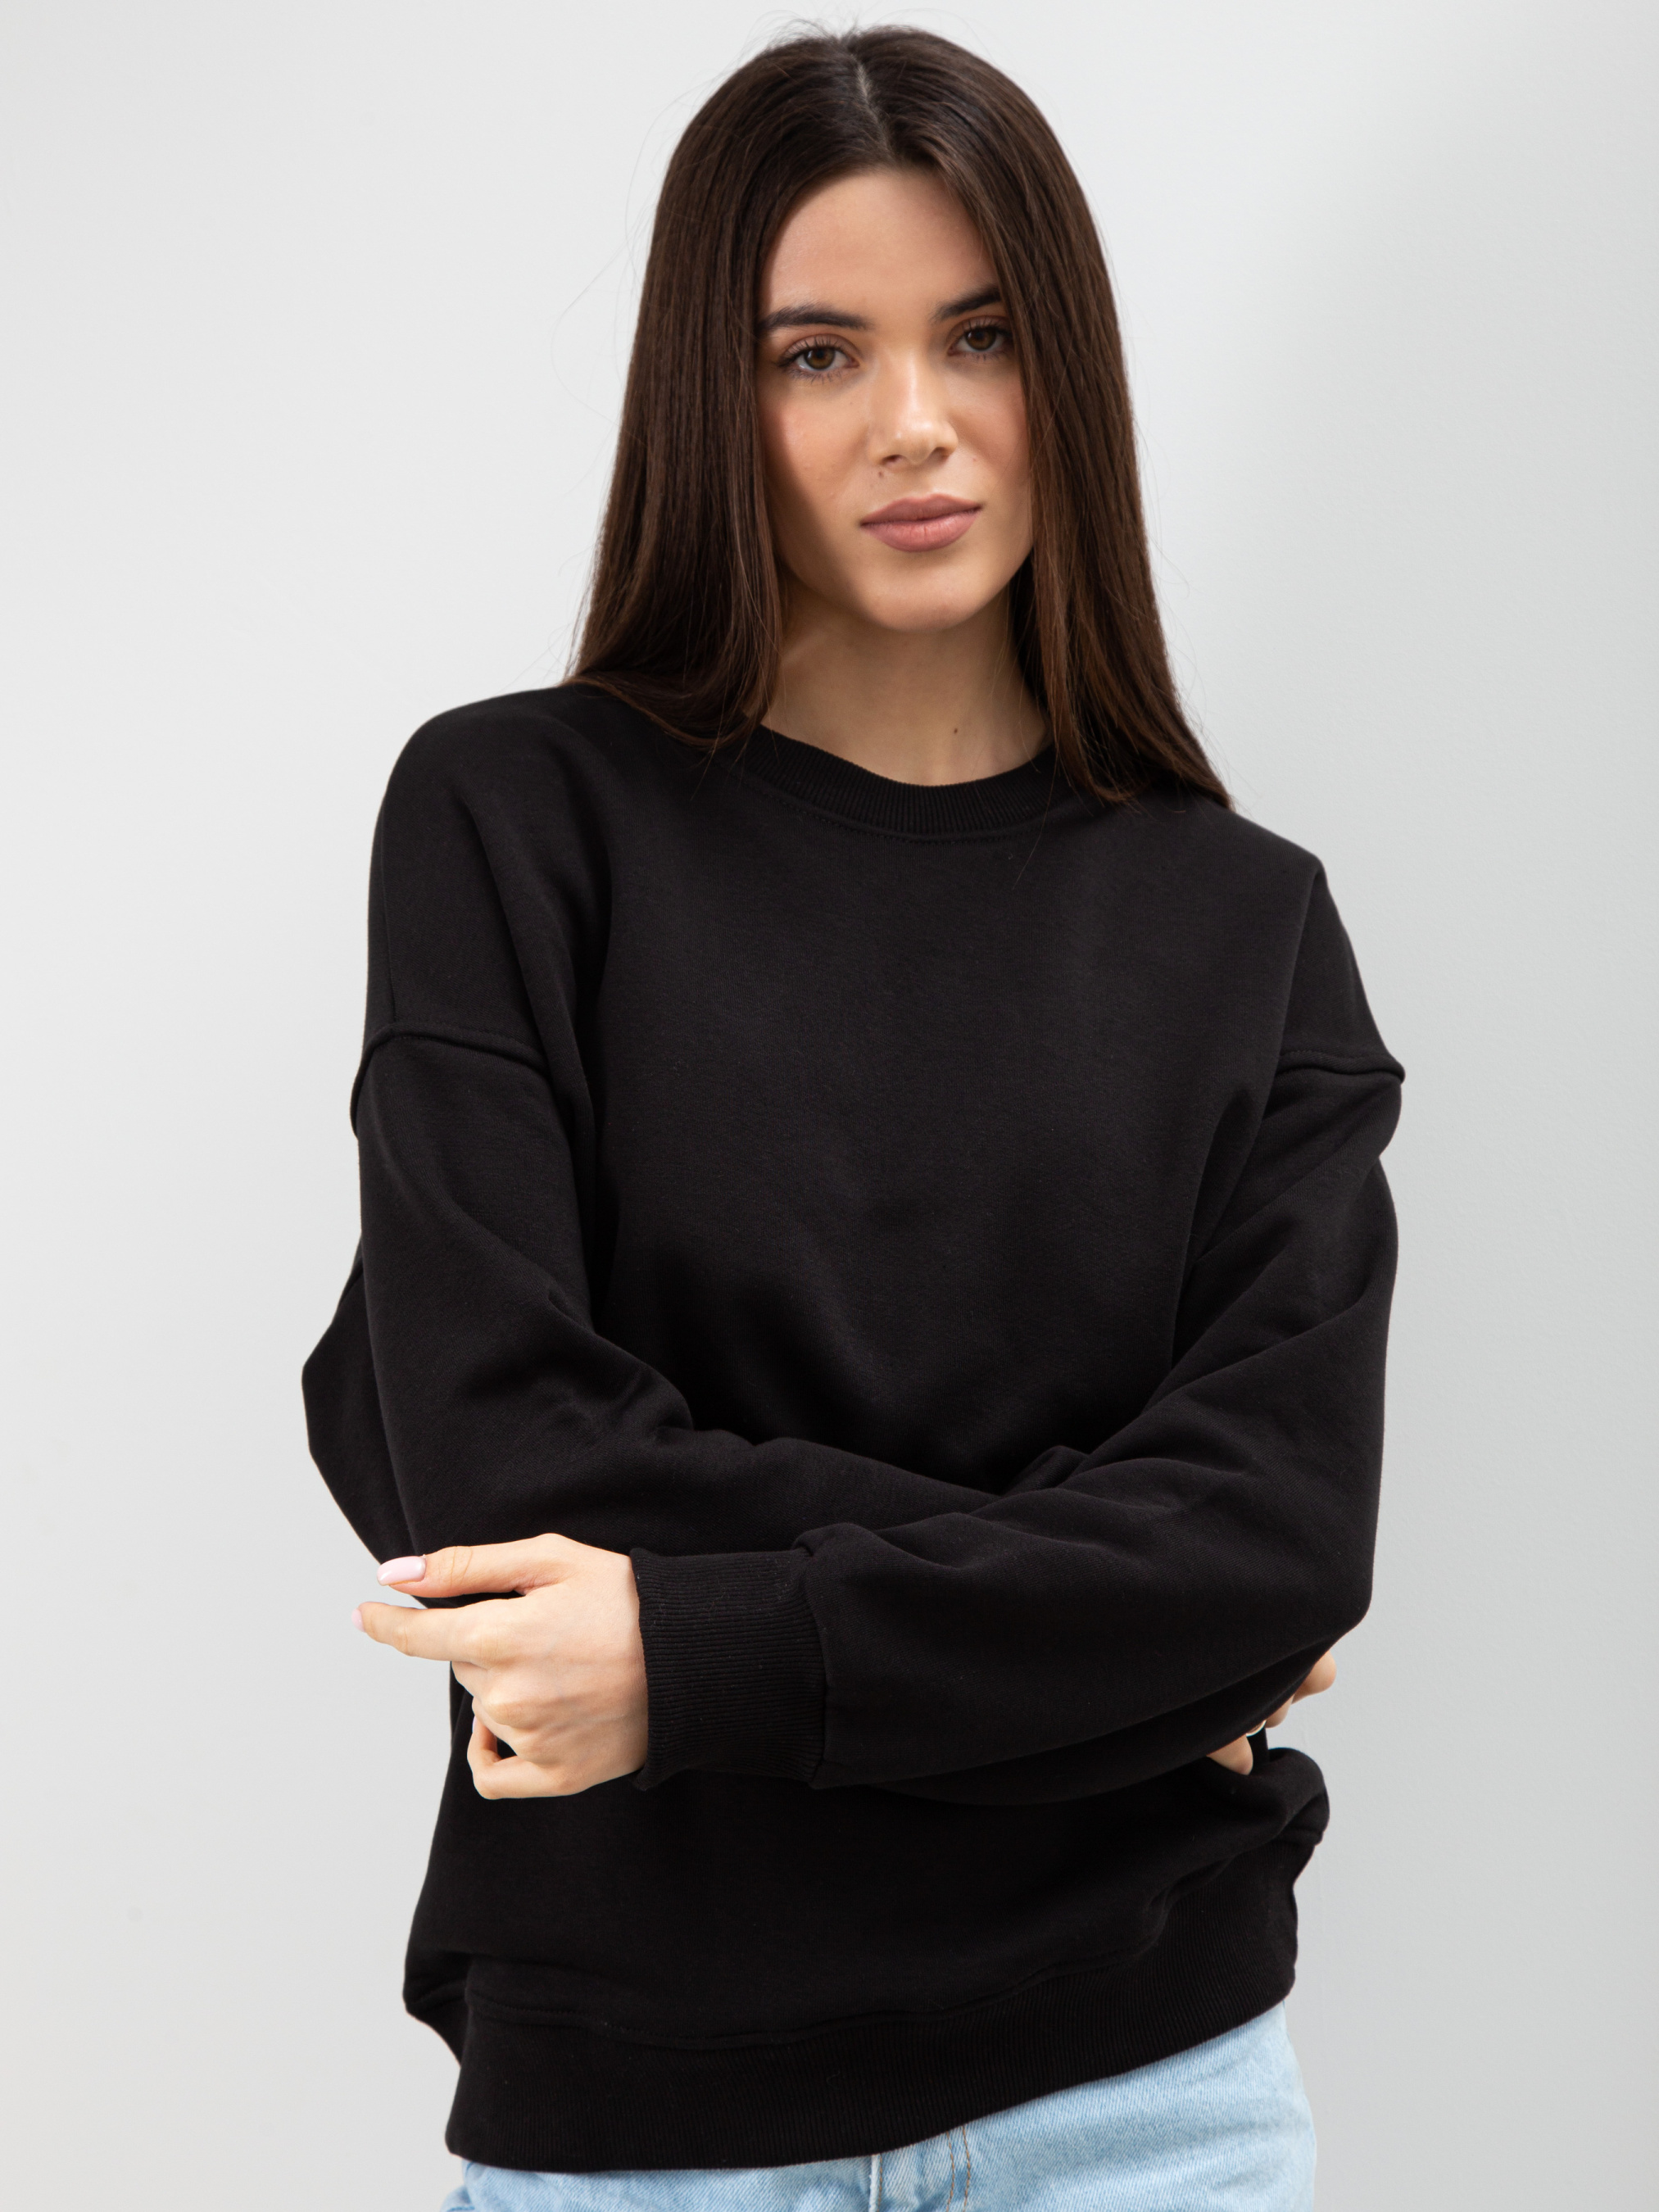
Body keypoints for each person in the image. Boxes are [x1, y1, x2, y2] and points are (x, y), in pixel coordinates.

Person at [304, 26, 1401, 2210]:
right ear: (710, 404)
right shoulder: (515, 822)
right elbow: (487, 1456)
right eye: (817, 353)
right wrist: (1111, 1646)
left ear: (1065, 371)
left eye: (979, 337)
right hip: (648, 2117)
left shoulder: (1247, 924)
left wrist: (685, 1647)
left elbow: (1277, 1550)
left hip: (1150, 2098)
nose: (915, 420)